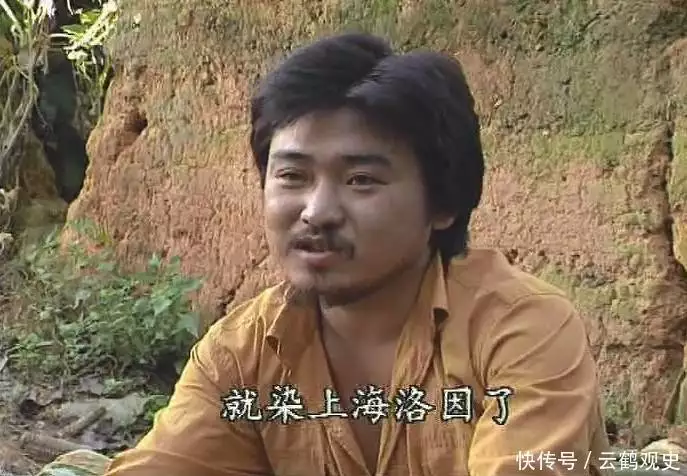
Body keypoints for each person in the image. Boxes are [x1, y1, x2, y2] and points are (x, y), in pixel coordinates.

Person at [40, 33, 616, 476]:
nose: (316, 211)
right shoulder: (241, 357)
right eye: (292, 176)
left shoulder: (520, 328)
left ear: (442, 203)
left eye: (361, 180)